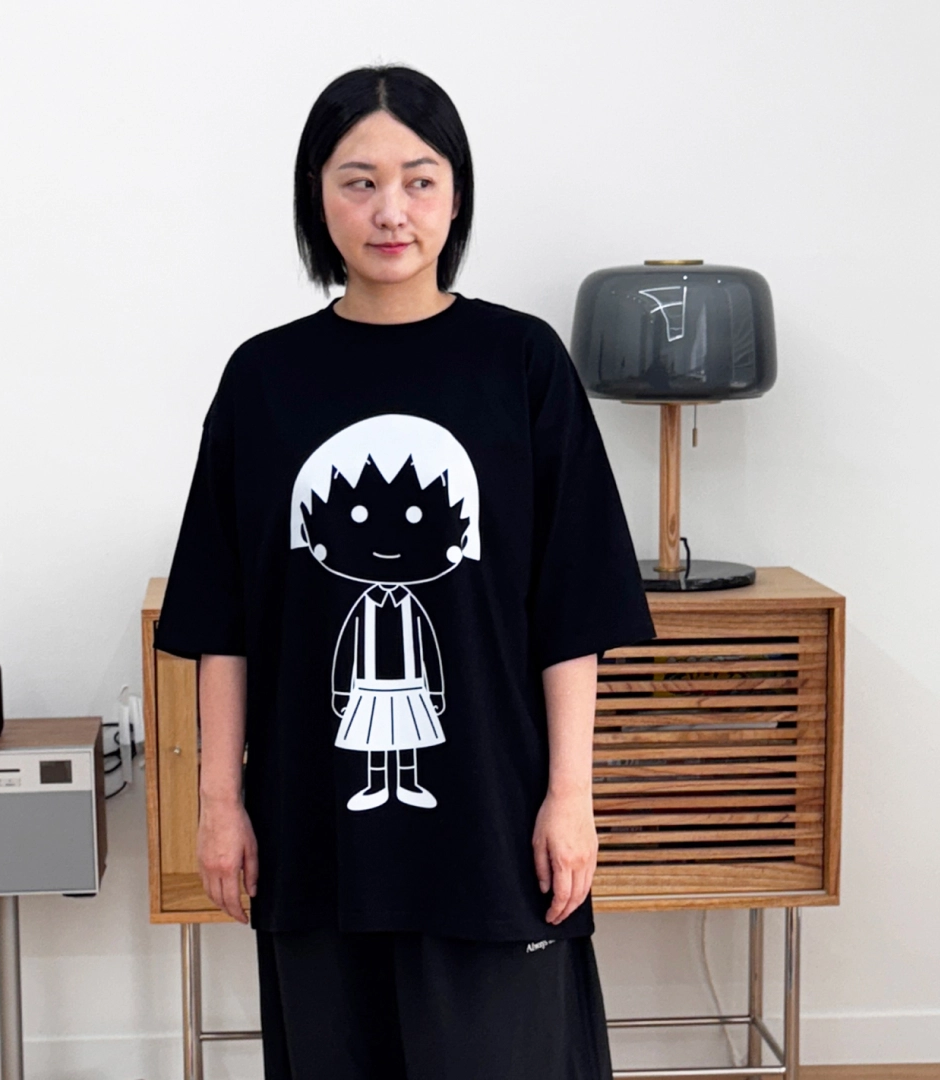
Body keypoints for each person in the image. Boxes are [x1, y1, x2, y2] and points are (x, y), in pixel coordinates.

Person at [154, 64, 656, 1080]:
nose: (392, 211)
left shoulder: (523, 362)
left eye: (420, 180)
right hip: (311, 826)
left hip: (492, 818)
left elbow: (570, 608)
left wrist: (572, 796)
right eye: (360, 181)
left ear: (456, 194)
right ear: (317, 197)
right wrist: (218, 802)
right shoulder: (263, 379)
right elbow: (224, 619)